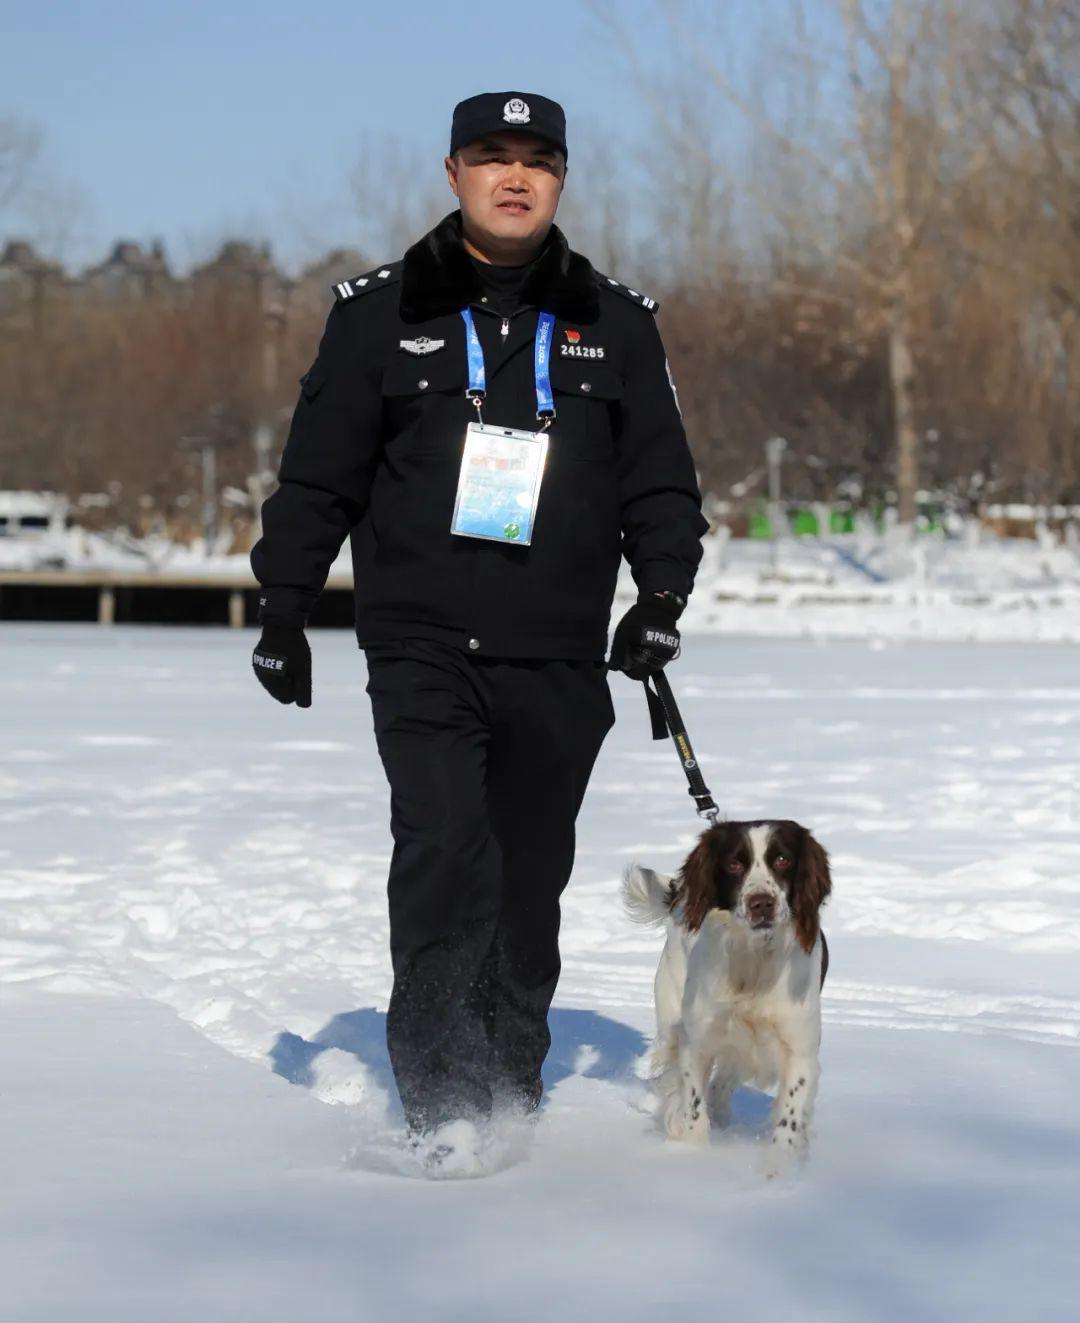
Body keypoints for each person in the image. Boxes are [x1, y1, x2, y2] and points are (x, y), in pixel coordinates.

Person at [250, 90, 708, 1165]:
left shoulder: (617, 322)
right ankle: (445, 1098)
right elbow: (319, 475)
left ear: (561, 180)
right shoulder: (376, 313)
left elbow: (662, 487)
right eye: (492, 157)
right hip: (419, 643)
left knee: (528, 873)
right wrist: (284, 605)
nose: (516, 176)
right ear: (451, 173)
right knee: (447, 850)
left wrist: (662, 600)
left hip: (556, 651)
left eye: (538, 160)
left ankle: (510, 1080)